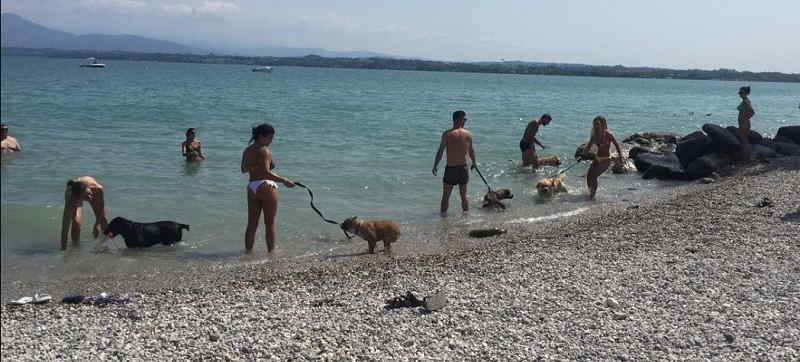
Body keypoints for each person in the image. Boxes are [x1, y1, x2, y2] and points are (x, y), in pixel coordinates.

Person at [240, 123, 295, 254]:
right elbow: (266, 173)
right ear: (261, 136)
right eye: (270, 138)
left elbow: (243, 169)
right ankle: (271, 254)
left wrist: (255, 167)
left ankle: (248, 253)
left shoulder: (247, 150)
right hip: (266, 186)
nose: (271, 141)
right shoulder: (264, 150)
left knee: (252, 224)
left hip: (252, 187)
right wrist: (285, 181)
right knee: (269, 224)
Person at [432, 110, 476, 215]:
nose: (465, 121)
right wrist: (474, 162)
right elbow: (471, 151)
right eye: (464, 119)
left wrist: (435, 165)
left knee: (446, 196)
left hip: (451, 168)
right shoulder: (468, 134)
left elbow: (440, 151)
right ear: (458, 119)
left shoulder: (447, 134)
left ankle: (443, 220)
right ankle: (466, 218)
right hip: (463, 169)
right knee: (463, 196)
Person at [60, 176, 108, 250]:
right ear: (78, 200)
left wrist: (96, 225)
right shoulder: (71, 199)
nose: (90, 197)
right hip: (75, 191)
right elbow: (64, 230)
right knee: (76, 222)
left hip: (82, 188)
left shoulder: (97, 189)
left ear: (87, 188)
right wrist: (63, 250)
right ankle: (75, 247)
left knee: (103, 219)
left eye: (89, 194)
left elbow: (101, 208)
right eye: (86, 197)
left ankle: (105, 243)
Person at [585, 116, 623, 201]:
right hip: (597, 158)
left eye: (597, 124)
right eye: (594, 124)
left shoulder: (608, 134)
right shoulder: (594, 134)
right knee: (588, 176)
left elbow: (617, 145)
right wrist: (583, 154)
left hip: (606, 159)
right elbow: (588, 146)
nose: (596, 126)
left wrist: (621, 158)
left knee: (594, 176)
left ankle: (592, 196)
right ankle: (590, 192)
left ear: (603, 124)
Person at [737, 86, 755, 161]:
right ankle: (746, 157)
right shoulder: (745, 101)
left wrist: (745, 119)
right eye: (739, 92)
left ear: (745, 93)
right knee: (744, 140)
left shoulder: (746, 101)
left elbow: (752, 112)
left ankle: (748, 157)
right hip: (743, 123)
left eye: (741, 93)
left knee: (744, 140)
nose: (739, 94)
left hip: (744, 124)